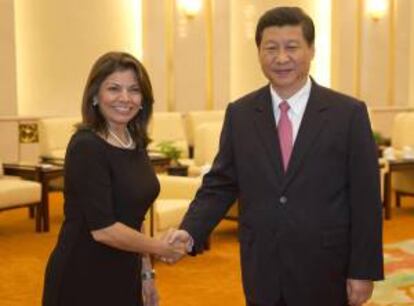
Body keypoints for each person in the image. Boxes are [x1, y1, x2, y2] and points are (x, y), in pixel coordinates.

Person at [165, 6, 384, 306]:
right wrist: (189, 232)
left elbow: (366, 199)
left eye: (292, 47)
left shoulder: (348, 114)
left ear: (311, 50)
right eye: (271, 48)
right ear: (259, 53)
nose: (281, 58)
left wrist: (363, 270)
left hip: (326, 269)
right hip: (262, 268)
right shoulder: (240, 114)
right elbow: (221, 183)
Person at [42, 51, 184, 306]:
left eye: (134, 90)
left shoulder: (134, 142)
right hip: (83, 274)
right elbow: (104, 229)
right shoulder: (86, 146)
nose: (125, 98)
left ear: (144, 100)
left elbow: (135, 215)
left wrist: (146, 273)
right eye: (114, 88)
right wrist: (160, 248)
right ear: (95, 95)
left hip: (125, 271)